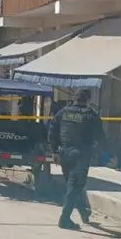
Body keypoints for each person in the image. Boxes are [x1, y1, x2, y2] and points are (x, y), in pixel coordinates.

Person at [49, 88, 105, 230]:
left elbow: (52, 131)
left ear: (74, 98)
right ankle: (65, 220)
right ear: (88, 100)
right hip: (81, 155)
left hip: (64, 154)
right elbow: (101, 137)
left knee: (73, 186)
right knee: (74, 187)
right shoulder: (91, 115)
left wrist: (55, 151)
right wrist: (100, 153)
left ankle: (83, 212)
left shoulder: (63, 112)